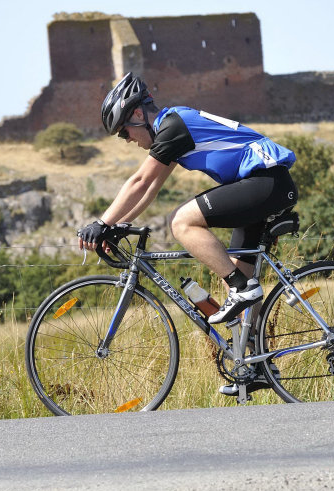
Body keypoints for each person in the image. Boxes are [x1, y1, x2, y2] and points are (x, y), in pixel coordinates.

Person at [78, 72, 298, 330]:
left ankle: (242, 289)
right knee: (235, 281)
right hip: (266, 186)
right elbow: (150, 190)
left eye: (123, 132)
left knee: (181, 222)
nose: (127, 140)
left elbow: (140, 182)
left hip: (266, 182)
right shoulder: (172, 129)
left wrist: (101, 223)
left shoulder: (173, 126)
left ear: (138, 114)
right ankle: (257, 349)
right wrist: (117, 225)